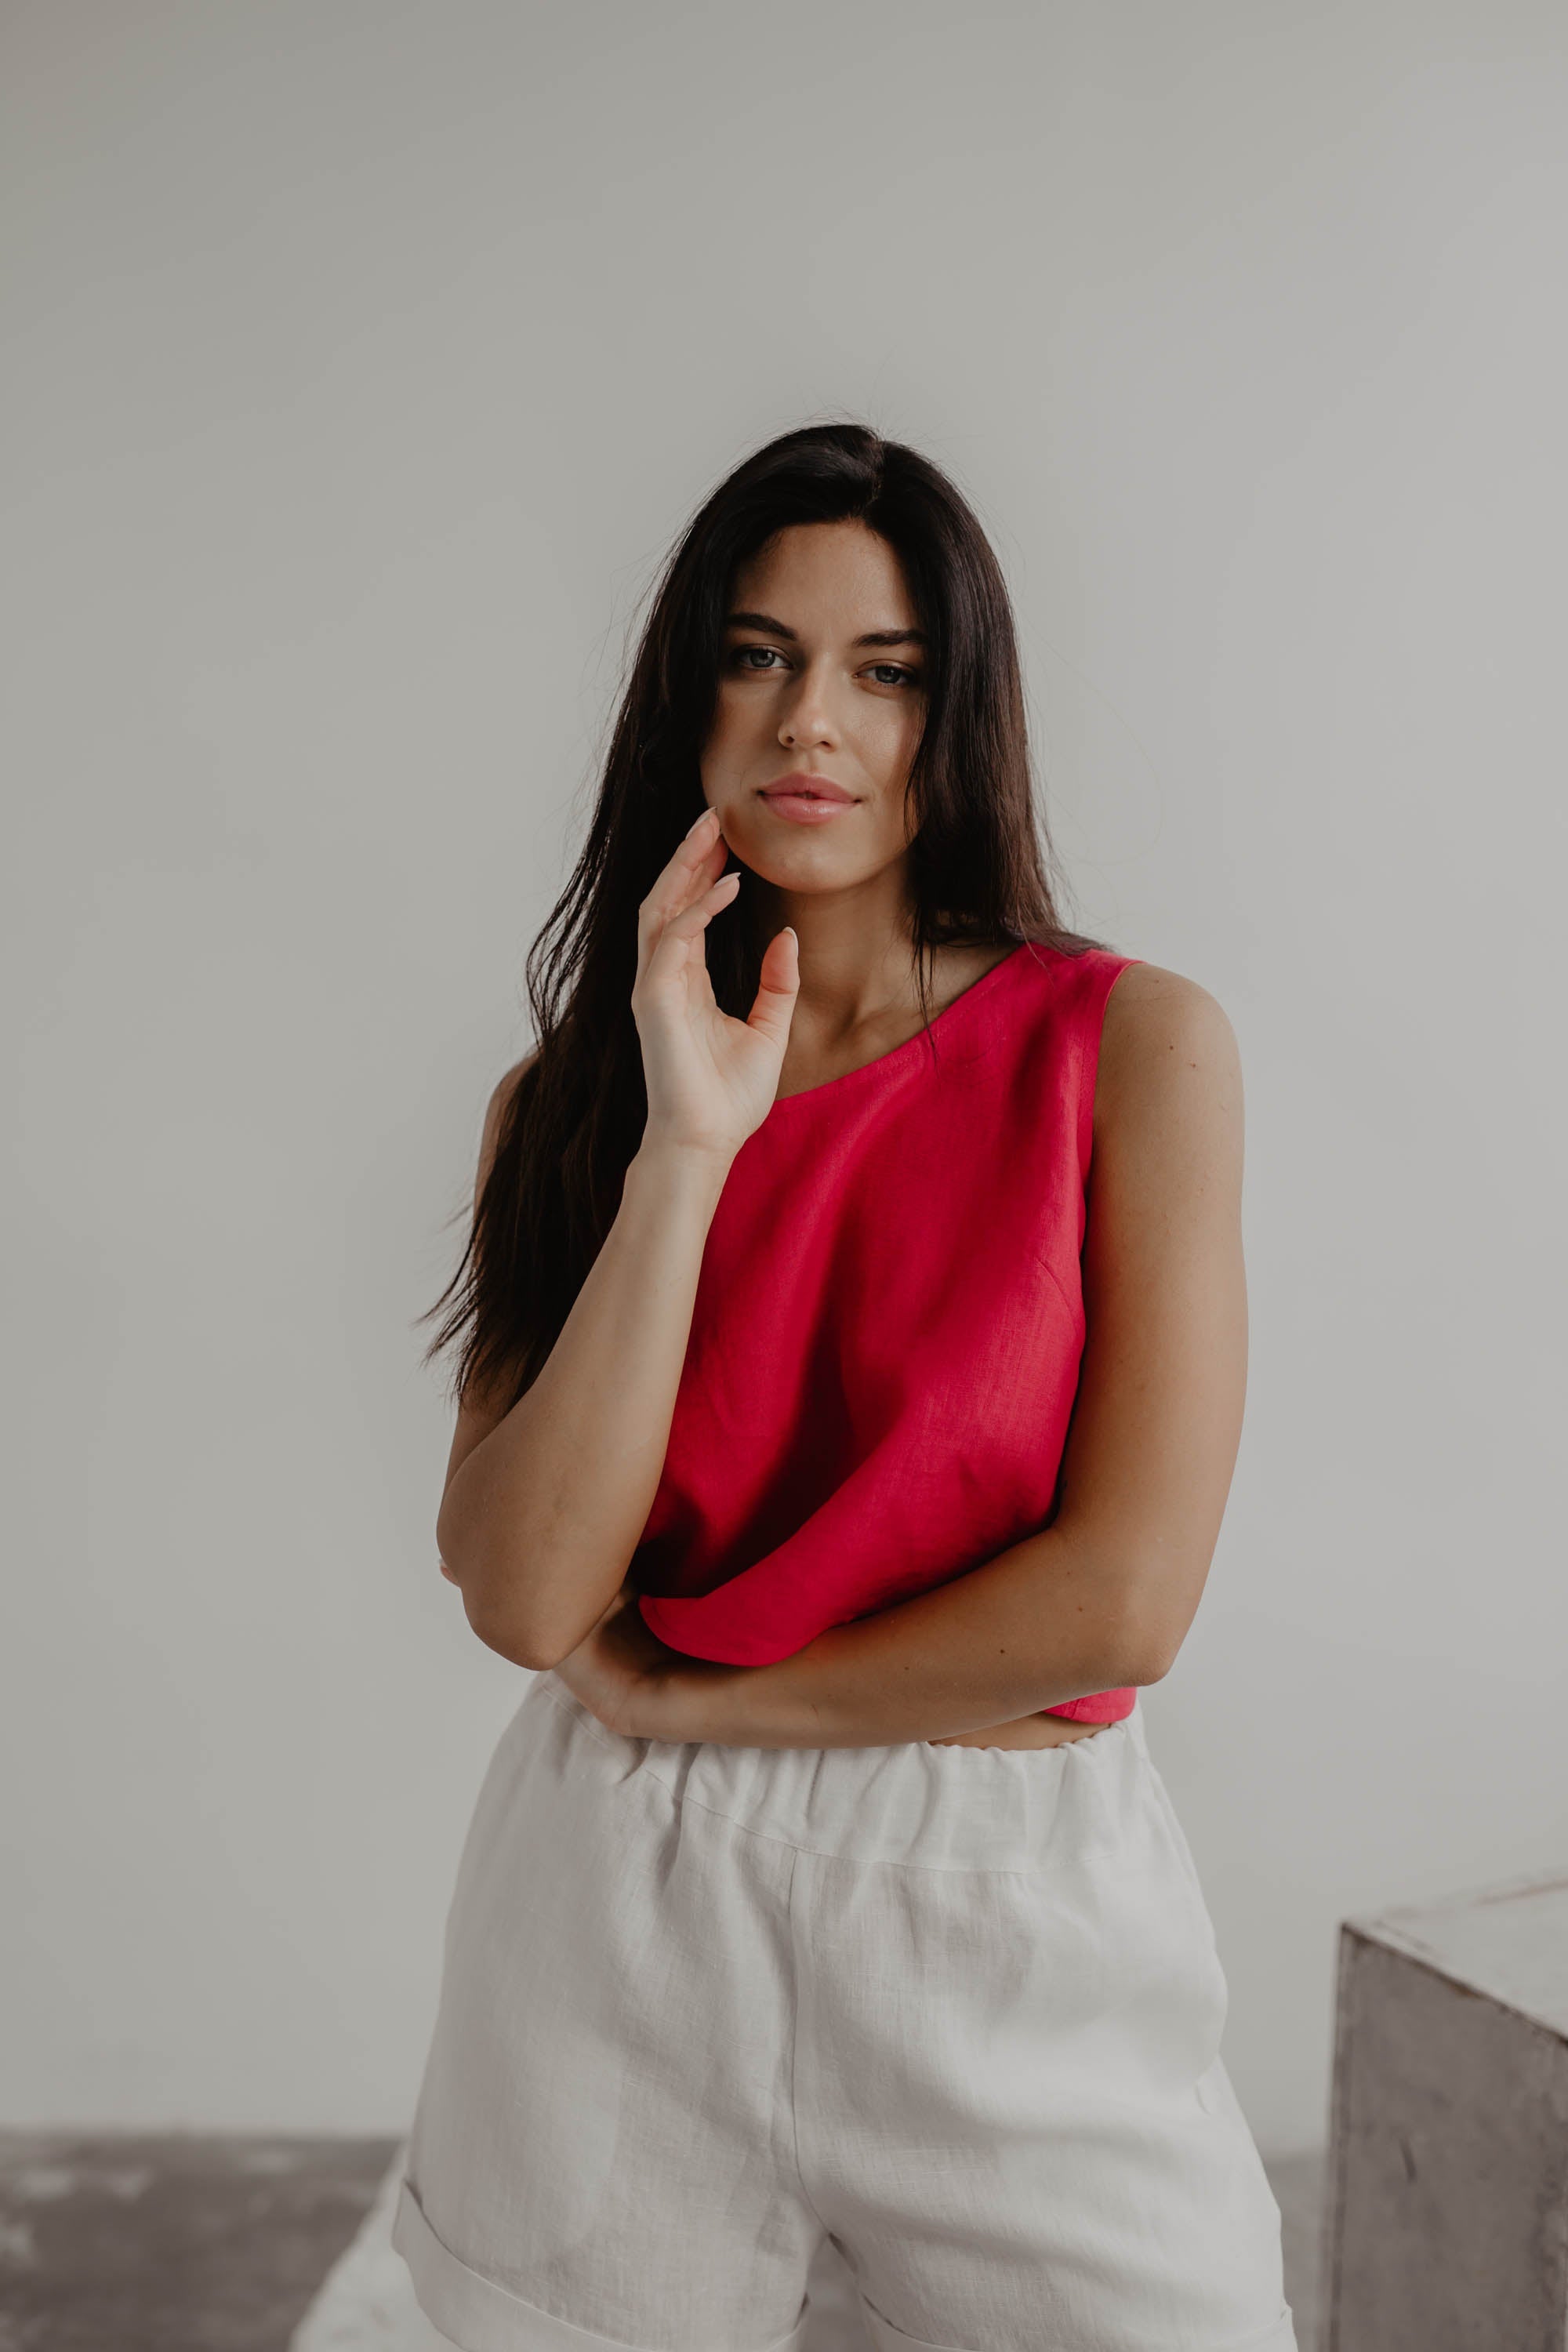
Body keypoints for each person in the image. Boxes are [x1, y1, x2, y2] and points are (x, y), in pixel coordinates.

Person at [391, 421, 1298, 2352]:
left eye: (883, 670)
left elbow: (1126, 1597)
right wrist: (681, 1152)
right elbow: (527, 1595)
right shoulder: (567, 1110)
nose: (814, 719)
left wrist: (720, 1708)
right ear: (686, 697)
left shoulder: (1131, 1049)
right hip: (619, 1910)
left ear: (953, 712)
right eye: (757, 653)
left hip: (1003, 1907)